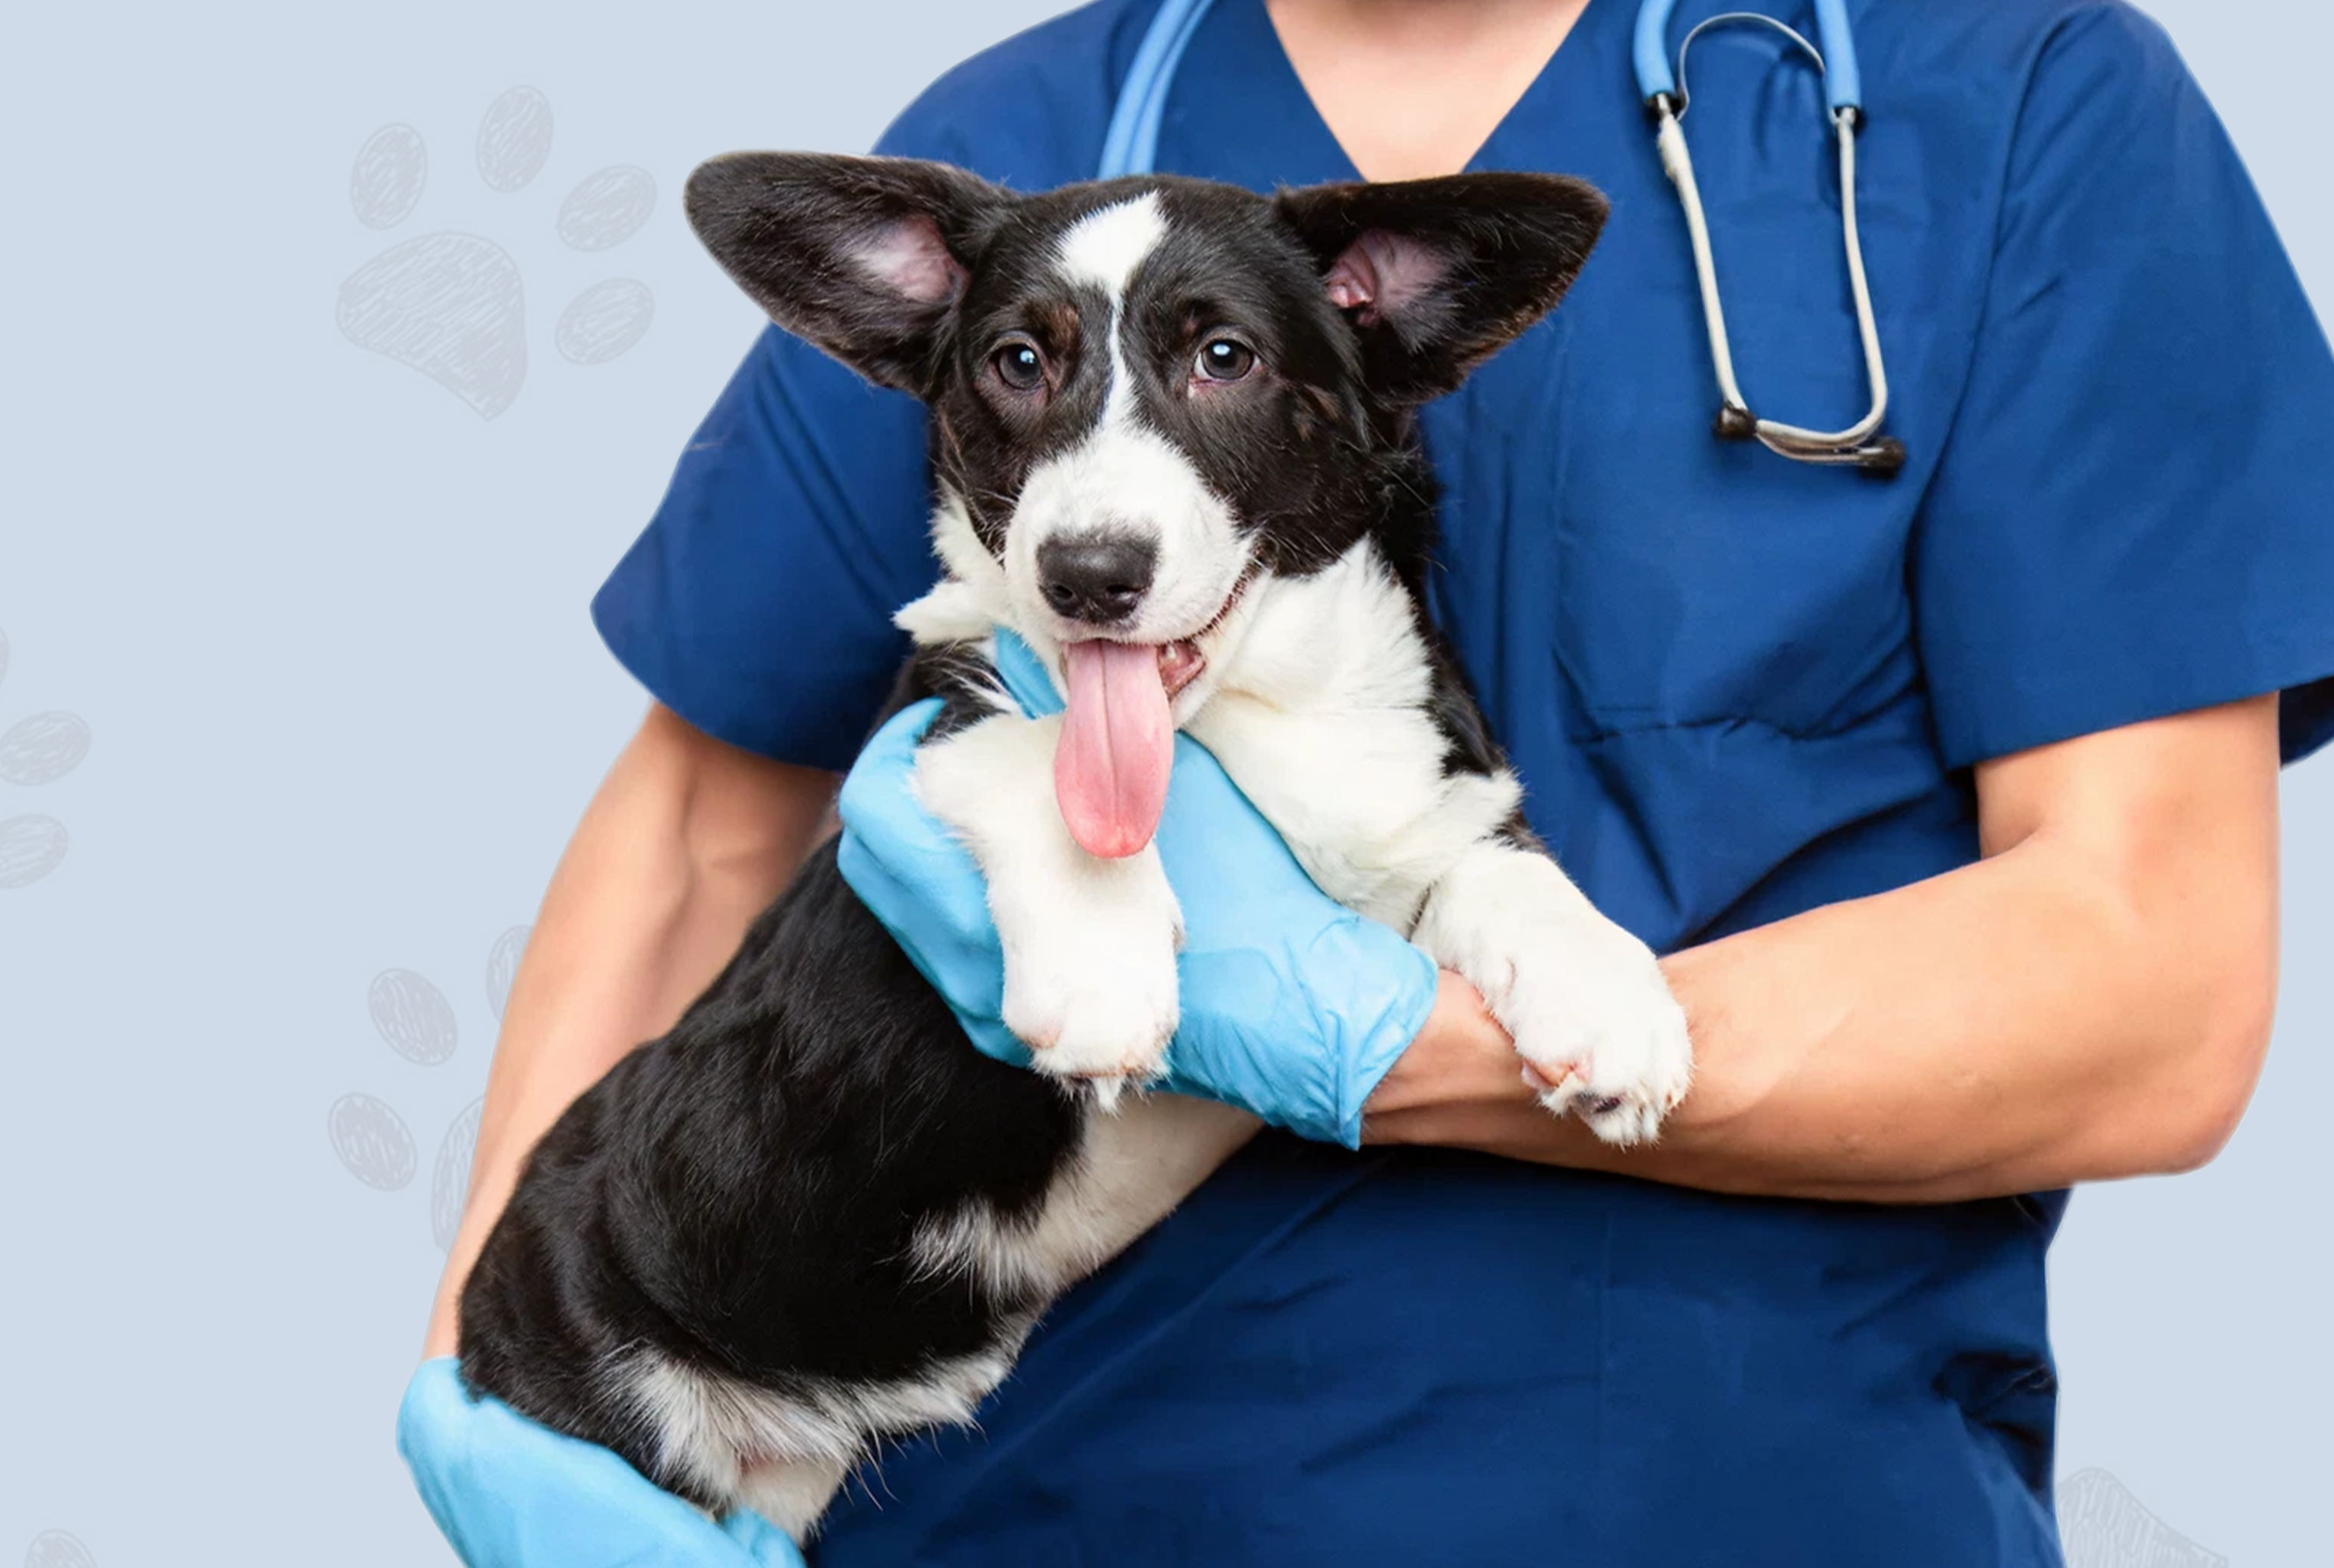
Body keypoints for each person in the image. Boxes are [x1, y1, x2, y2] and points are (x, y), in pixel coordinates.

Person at [396, 0, 2334, 1562]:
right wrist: (496, 1389)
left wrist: (1378, 1038)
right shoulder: (1036, 130)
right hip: (1014, 1509)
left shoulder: (2018, 104)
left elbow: (2154, 998)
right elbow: (692, 830)